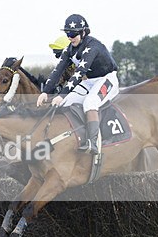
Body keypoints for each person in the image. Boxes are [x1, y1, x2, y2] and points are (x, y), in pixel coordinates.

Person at [36, 14, 119, 155]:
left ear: (83, 32)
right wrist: (45, 92)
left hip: (107, 79)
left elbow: (79, 73)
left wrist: (62, 94)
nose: (70, 37)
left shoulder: (93, 46)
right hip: (89, 82)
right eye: (68, 34)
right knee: (64, 103)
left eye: (73, 34)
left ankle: (93, 143)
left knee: (90, 103)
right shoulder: (69, 49)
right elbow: (58, 70)